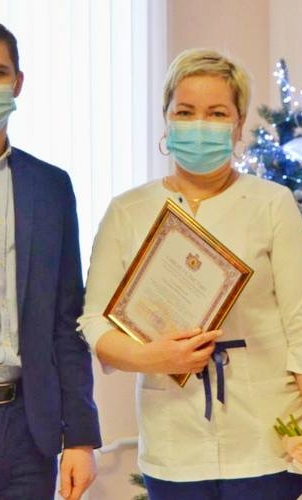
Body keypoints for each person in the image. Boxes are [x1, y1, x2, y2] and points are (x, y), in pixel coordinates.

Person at [79, 48, 302, 500]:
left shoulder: (271, 204)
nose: (199, 125)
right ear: (166, 120)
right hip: (173, 440)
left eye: (217, 113)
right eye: (185, 112)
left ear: (238, 125)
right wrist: (154, 357)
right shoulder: (128, 211)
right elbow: (95, 322)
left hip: (268, 438)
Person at [0, 24, 101, 500]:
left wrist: (80, 437)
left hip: (28, 429)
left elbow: (67, 322)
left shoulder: (50, 188)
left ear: (17, 83)